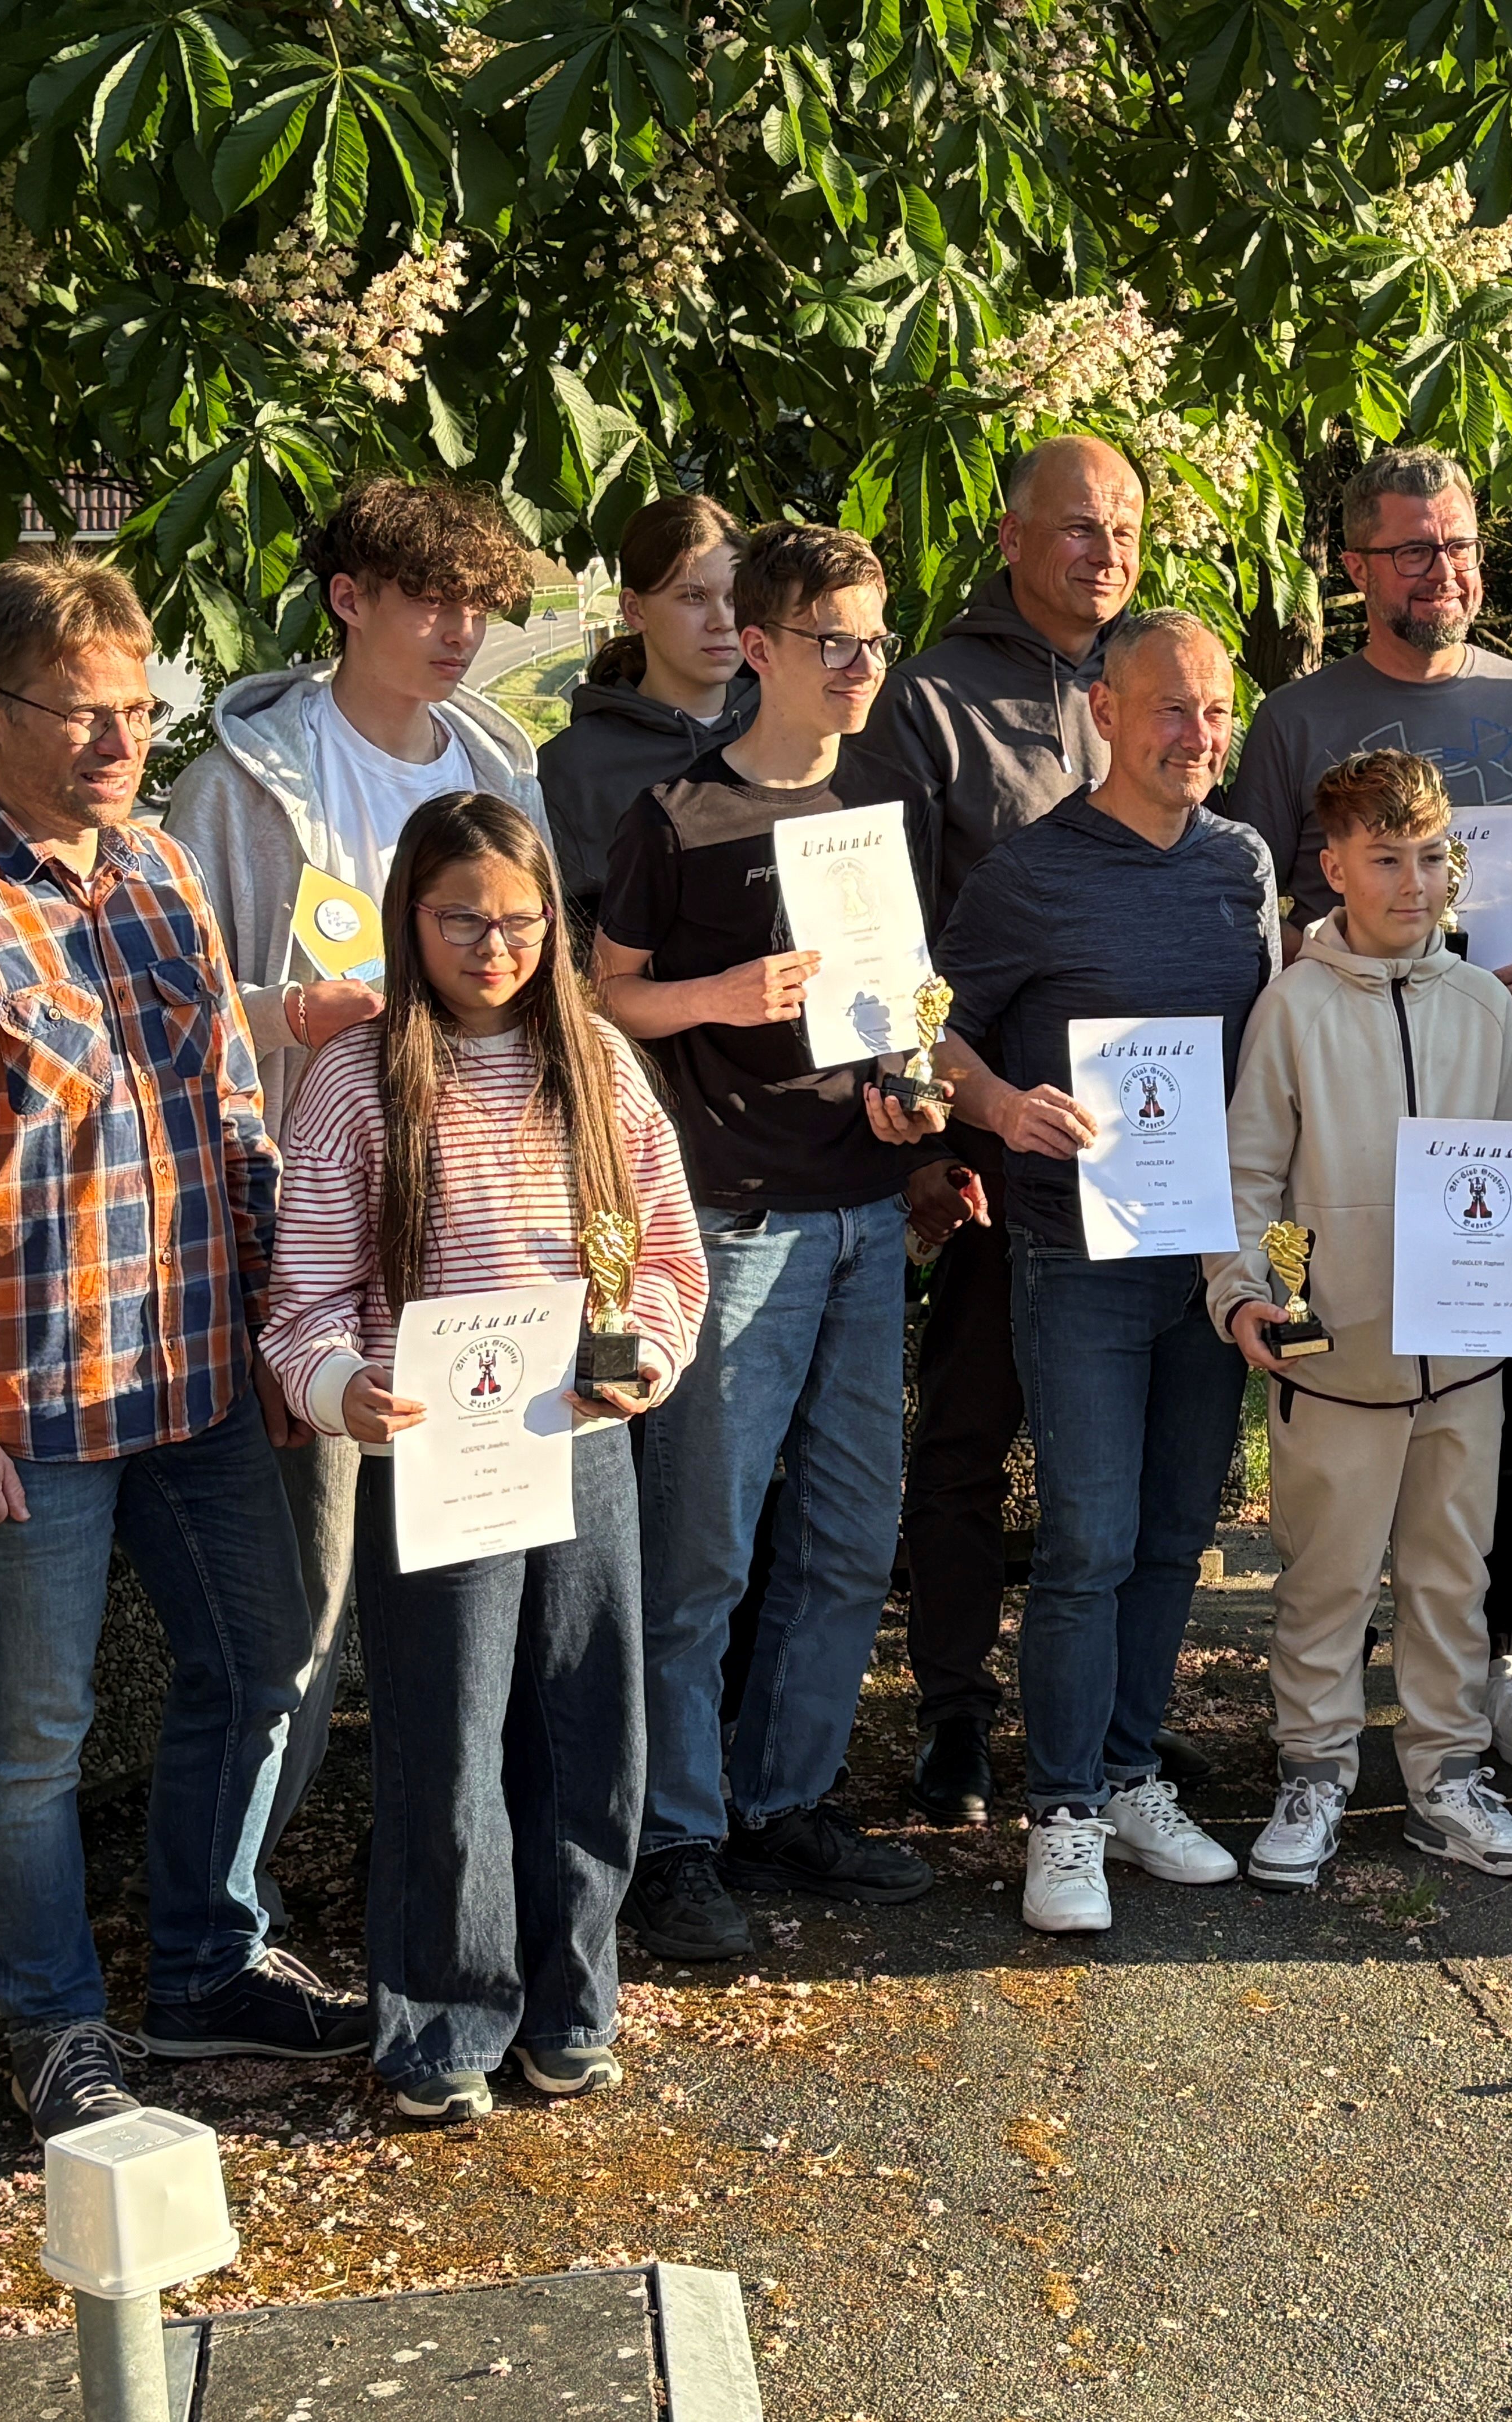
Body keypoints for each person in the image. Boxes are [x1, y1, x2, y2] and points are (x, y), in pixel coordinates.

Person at [0, 552, 363, 2144]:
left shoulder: (162, 876)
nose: (123, 739)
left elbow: (236, 1122)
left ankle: (207, 1967)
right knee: (32, 1742)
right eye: (84, 711)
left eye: (137, 706)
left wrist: (274, 1330)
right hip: (26, 1407)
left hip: (195, 1380)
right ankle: (53, 2022)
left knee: (263, 1667)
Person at [262, 794, 706, 2122]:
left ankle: (574, 2003)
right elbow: (304, 1302)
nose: (495, 948)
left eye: (520, 921)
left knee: (589, 1726)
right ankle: (445, 2023)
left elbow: (665, 1259)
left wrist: (647, 1357)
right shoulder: (357, 1080)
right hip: (435, 1459)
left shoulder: (599, 1063)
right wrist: (344, 1388)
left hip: (580, 1442)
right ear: (410, 918)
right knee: (448, 1744)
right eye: (462, 920)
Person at [166, 476, 544, 1922]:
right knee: (303, 1607)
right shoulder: (243, 787)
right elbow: (167, 1016)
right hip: (307, 1237)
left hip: (483, 1238)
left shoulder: (503, 771)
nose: (461, 629)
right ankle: (234, 1928)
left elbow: (542, 989)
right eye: (430, 599)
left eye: (477, 603)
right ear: (348, 599)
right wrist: (291, 1015)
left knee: (475, 1589)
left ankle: (448, 1894)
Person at [594, 520, 943, 1962]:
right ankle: (674, 1836)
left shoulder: (889, 798)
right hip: (731, 1222)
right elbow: (605, 996)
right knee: (703, 1555)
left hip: (867, 1209)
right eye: (833, 642)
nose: (861, 667)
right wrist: (720, 997)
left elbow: (909, 999)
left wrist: (916, 1097)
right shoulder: (675, 815)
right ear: (758, 647)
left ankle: (784, 1799)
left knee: (852, 1539)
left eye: (877, 642)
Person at [1227, 446, 1512, 1777]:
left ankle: (1472, 1714)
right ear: (1357, 567)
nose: (1444, 571)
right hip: (1341, 1188)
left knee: (1476, 1493)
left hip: (1478, 1130)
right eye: (1414, 549)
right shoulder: (1296, 721)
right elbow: (1254, 893)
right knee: (1334, 1540)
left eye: (1459, 544)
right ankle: (1318, 1761)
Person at [926, 610, 1278, 1933]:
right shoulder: (1027, 875)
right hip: (1075, 1255)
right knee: (1087, 1542)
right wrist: (1001, 1105)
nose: (1198, 734)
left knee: (1176, 1536)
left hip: (1209, 1257)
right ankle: (1063, 1815)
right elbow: (934, 1032)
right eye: (1173, 707)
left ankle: (1131, 1777)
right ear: (1106, 714)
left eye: (1217, 710)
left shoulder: (1243, 865)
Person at [1216, 750, 1512, 1888]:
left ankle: (1446, 1779)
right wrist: (1240, 1291)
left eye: (1431, 858)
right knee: (1326, 1582)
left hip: (1465, 1367)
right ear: (1332, 867)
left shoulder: (1483, 1004)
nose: (1413, 883)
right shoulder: (1293, 1005)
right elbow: (1246, 1175)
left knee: (1450, 1581)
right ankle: (1313, 1773)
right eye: (1386, 859)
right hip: (1335, 1362)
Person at [853, 433, 1145, 1827]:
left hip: (1138, 1143)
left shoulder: (1155, 678)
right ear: (1014, 538)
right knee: (969, 1434)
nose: (1106, 551)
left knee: (1125, 1444)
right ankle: (955, 1715)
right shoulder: (932, 701)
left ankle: (1115, 1724)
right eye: (1080, 526)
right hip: (986, 1139)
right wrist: (927, 1138)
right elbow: (888, 940)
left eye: (1126, 527)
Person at [539, 494, 756, 928]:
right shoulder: (572, 769)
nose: (722, 621)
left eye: (735, 598)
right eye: (694, 597)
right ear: (635, 610)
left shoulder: (789, 727)